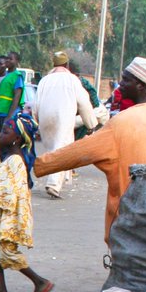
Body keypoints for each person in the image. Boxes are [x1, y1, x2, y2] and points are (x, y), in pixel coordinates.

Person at [34, 57, 146, 244]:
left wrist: (40, 165)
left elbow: (79, 152)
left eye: (126, 80)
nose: (120, 84)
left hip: (130, 213)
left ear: (141, 86)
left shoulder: (121, 123)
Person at [0, 113, 53, 292]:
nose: (0, 135)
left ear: (17, 138)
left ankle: (40, 282)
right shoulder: (12, 158)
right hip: (6, 210)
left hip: (8, 212)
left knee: (7, 250)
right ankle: (1, 290)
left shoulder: (15, 160)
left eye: (6, 132)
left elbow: (4, 193)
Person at [35, 50, 95, 199]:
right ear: (67, 64)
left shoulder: (44, 81)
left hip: (45, 118)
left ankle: (58, 178)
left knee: (54, 149)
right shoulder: (72, 80)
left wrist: (36, 121)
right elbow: (84, 103)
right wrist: (90, 124)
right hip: (63, 118)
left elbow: (36, 104)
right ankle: (53, 184)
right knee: (61, 149)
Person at [0, 51, 26, 128]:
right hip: (2, 113)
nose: (8, 60)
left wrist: (9, 117)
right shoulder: (5, 75)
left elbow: (17, 97)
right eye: (7, 58)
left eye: (11, 59)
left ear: (16, 61)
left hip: (11, 115)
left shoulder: (17, 76)